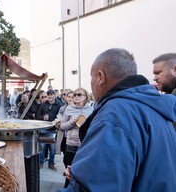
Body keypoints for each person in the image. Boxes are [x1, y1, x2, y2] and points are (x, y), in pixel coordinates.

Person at [57, 48, 176, 192]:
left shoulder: (115, 114)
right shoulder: (153, 107)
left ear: (100, 77)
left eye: (91, 77)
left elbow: (96, 186)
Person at [59, 88, 93, 187]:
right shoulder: (69, 108)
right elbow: (62, 126)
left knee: (82, 174)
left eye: (79, 94)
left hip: (84, 145)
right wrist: (71, 122)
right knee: (69, 173)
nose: (76, 97)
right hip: (71, 144)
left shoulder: (90, 109)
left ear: (85, 96)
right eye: (74, 95)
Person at [37, 89, 61, 171]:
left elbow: (60, 117)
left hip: (53, 129)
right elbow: (38, 115)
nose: (50, 96)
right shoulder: (43, 105)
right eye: (48, 95)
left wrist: (57, 123)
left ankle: (51, 163)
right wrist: (42, 117)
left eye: (51, 95)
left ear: (54, 95)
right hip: (44, 129)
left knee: (52, 149)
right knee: (42, 148)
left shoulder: (59, 105)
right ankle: (40, 163)